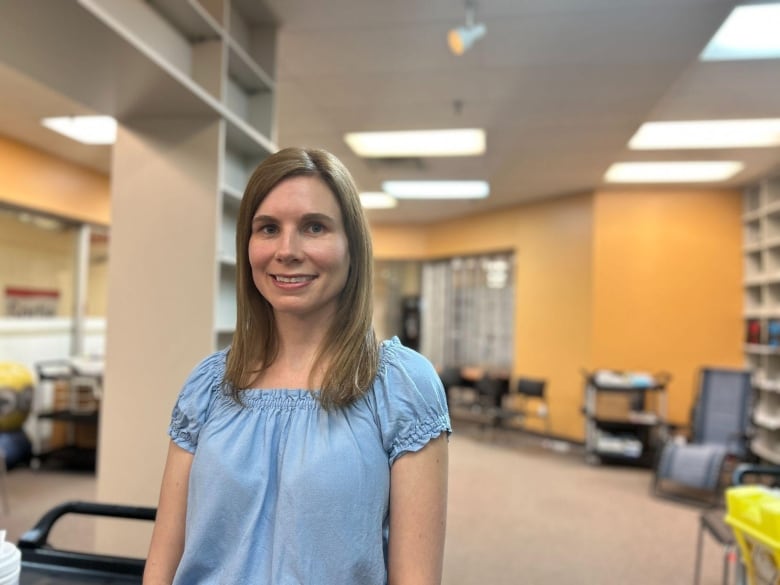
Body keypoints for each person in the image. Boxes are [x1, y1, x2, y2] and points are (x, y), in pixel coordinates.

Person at [143, 147, 451, 585]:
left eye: (314, 227)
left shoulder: (402, 387)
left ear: (352, 247)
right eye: (268, 228)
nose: (287, 251)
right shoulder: (208, 385)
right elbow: (162, 564)